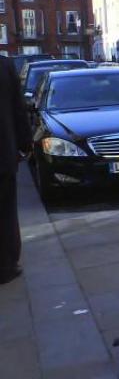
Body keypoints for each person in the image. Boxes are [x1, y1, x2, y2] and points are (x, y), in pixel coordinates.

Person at [0, 59, 32, 285]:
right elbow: (18, 110)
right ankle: (6, 266)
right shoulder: (4, 66)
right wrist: (25, 143)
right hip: (2, 155)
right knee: (5, 212)